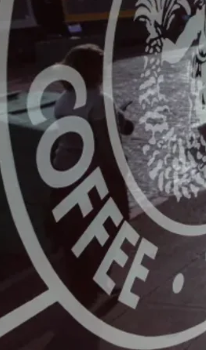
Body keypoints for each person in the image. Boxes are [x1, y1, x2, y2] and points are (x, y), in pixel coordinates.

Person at [50, 44, 135, 307]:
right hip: (94, 173)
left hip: (64, 171)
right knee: (108, 228)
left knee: (76, 232)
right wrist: (120, 175)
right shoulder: (99, 102)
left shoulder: (63, 99)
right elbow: (106, 145)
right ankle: (100, 285)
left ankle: (80, 285)